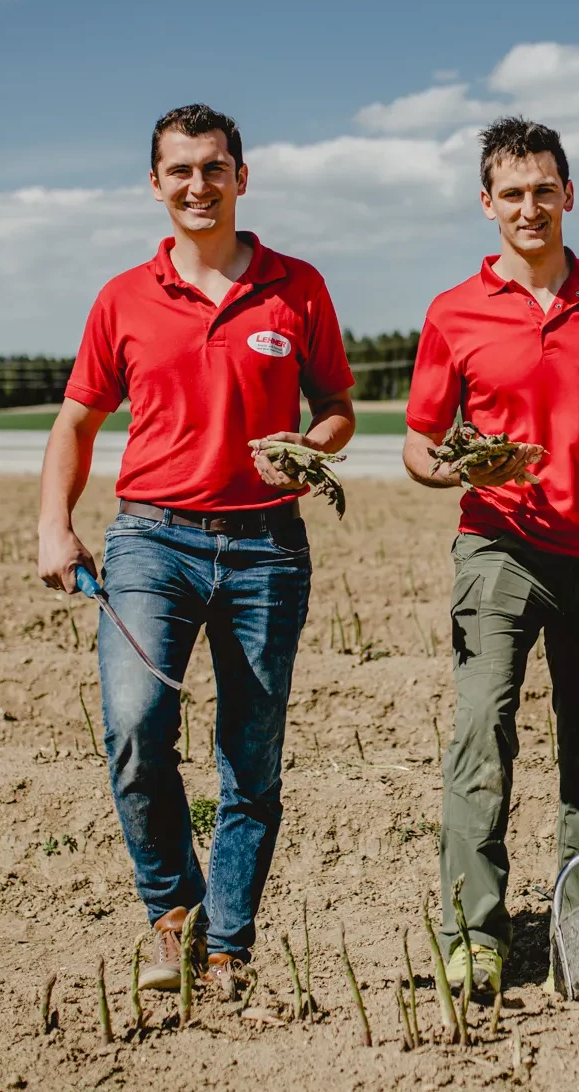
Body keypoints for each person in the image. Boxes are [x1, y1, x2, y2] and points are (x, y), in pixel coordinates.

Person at [36, 103, 355, 1000]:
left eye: (214, 168)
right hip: (151, 541)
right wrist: (53, 524)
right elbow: (77, 422)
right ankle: (173, 910)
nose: (197, 185)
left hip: (266, 550)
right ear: (156, 185)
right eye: (179, 171)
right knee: (137, 729)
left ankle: (227, 944)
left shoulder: (298, 287)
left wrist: (311, 445)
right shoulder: (123, 298)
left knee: (249, 758)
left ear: (241, 178)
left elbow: (336, 404)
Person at [401, 116, 579, 991]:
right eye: (512, 193)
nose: (530, 206)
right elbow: (418, 440)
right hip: (499, 548)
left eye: (544, 189)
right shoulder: (453, 313)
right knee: (483, 735)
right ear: (487, 204)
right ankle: (473, 931)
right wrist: (448, 468)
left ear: (569, 194)